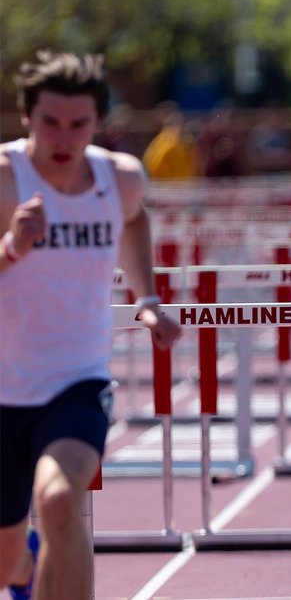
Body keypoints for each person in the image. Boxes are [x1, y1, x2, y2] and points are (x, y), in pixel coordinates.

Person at [0, 51, 182, 599]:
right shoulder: (6, 179)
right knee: (7, 554)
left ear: (98, 123)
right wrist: (12, 247)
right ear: (27, 116)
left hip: (75, 380)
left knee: (59, 501)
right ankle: (24, 569)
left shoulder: (119, 178)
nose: (64, 137)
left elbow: (135, 218)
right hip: (3, 385)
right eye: (51, 122)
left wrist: (146, 294)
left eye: (78, 124)